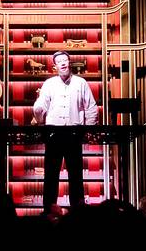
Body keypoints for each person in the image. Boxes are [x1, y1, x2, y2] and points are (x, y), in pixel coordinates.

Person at [32, 50, 98, 215]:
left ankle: (78, 213)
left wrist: (88, 130)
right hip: (53, 133)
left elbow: (91, 107)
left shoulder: (81, 82)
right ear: (55, 66)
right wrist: (39, 115)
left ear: (69, 63)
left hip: (74, 133)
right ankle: (49, 212)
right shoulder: (49, 84)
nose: (62, 63)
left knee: (76, 175)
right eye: (59, 61)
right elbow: (41, 105)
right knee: (51, 175)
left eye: (65, 60)